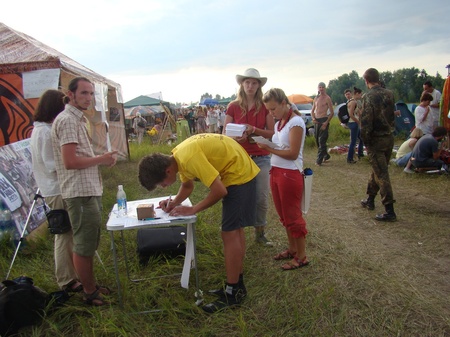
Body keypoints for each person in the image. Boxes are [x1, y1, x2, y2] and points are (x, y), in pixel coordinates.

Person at [138, 133, 260, 313]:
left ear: (168, 171)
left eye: (162, 184)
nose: (164, 187)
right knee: (234, 231)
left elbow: (219, 190)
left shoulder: (188, 157)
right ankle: (237, 284)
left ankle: (234, 292)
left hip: (239, 175)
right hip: (236, 170)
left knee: (229, 233)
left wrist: (193, 208)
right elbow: (187, 186)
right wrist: (174, 203)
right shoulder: (178, 156)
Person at [52, 77, 118, 306]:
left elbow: (77, 158)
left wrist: (101, 160)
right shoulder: (68, 120)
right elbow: (70, 161)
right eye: (84, 93)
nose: (89, 98)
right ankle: (89, 292)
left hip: (86, 189)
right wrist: (101, 158)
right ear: (70, 95)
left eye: (91, 93)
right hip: (79, 192)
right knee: (83, 244)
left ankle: (91, 286)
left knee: (88, 242)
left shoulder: (76, 119)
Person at [30, 89, 82, 293]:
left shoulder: (41, 129)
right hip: (56, 188)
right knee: (64, 234)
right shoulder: (44, 132)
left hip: (55, 187)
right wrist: (75, 160)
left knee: (66, 233)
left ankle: (70, 275)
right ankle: (67, 279)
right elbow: (52, 163)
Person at [257, 88, 309, 270]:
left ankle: (302, 256)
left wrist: (268, 149)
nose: (271, 113)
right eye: (268, 110)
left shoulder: (295, 122)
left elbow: (293, 153)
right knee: (284, 215)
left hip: (290, 173)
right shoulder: (281, 123)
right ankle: (293, 249)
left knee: (293, 216)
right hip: (277, 171)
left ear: (284, 103)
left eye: (273, 109)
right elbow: (277, 139)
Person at [223, 68, 275, 246]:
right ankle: (239, 233)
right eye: (247, 82)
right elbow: (225, 132)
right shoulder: (233, 106)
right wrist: (237, 137)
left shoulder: (265, 106)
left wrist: (254, 130)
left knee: (261, 197)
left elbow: (271, 133)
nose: (250, 86)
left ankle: (260, 233)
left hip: (261, 156)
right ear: (242, 84)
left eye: (254, 83)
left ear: (258, 85)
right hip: (239, 157)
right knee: (240, 196)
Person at [359, 68, 397, 222]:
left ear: (366, 80)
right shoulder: (389, 93)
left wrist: (365, 141)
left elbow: (366, 121)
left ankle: (389, 210)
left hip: (376, 140)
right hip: (389, 137)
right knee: (377, 170)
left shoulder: (368, 96)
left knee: (382, 174)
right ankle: (370, 199)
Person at [311, 82, 334, 166]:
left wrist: (326, 123)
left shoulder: (327, 98)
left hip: (324, 119)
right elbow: (312, 111)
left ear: (325, 88)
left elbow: (331, 113)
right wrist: (313, 118)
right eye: (320, 87)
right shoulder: (316, 98)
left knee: (322, 141)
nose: (321, 89)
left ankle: (319, 161)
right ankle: (326, 155)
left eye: (322, 87)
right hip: (317, 120)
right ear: (318, 88)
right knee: (317, 140)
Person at [346, 87, 364, 163]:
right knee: (353, 141)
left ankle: (360, 153)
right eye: (360, 94)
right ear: (356, 94)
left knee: (361, 138)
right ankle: (350, 158)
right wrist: (358, 122)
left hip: (353, 122)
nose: (361, 96)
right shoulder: (353, 102)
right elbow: (351, 114)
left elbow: (359, 113)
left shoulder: (352, 101)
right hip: (353, 123)